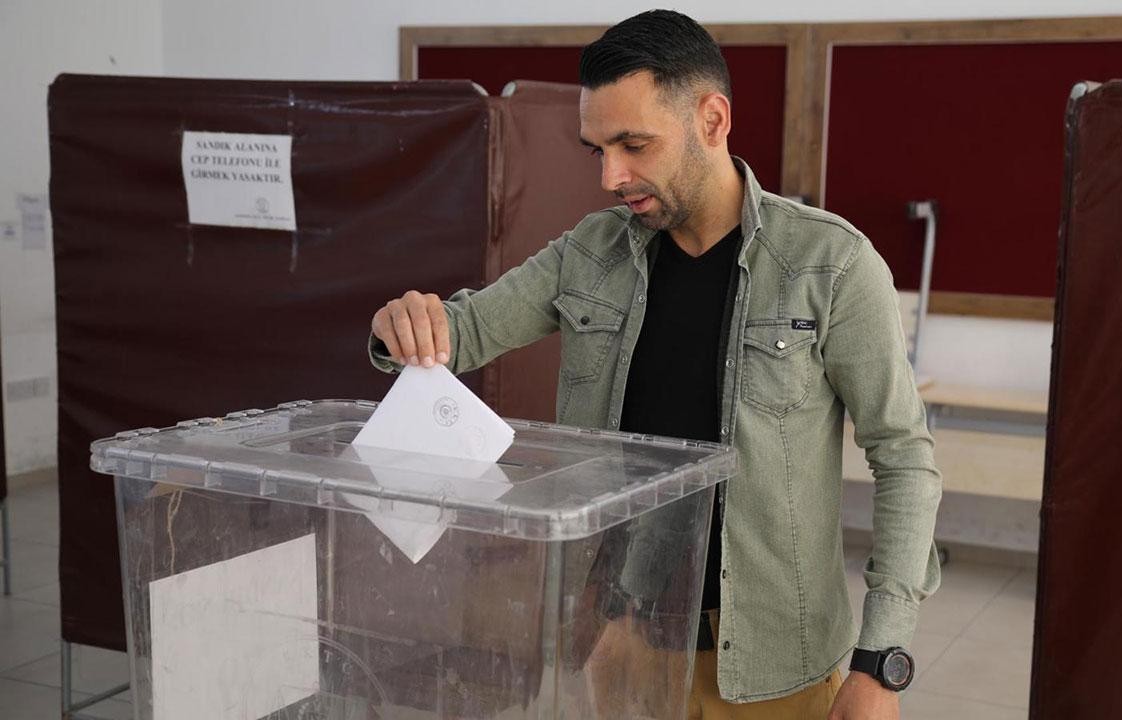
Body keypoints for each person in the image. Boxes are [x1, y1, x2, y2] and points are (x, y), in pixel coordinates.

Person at [368, 10, 941, 720]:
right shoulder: (590, 253)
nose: (611, 176)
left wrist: (882, 661)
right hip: (624, 643)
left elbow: (904, 456)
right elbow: (467, 329)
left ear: (712, 119)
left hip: (776, 663)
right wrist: (407, 325)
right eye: (598, 150)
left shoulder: (831, 264)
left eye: (634, 145)